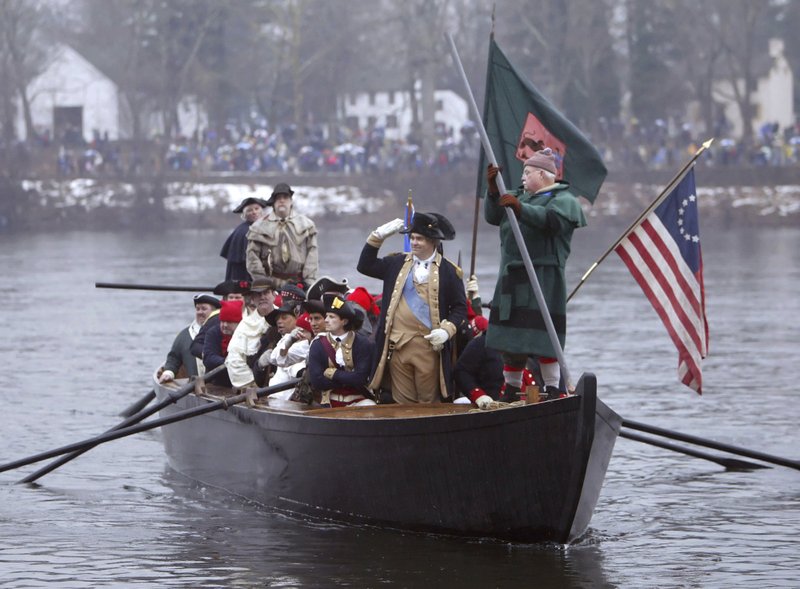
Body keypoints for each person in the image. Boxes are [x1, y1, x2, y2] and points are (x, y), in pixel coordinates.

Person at [484, 147, 586, 401]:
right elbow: (493, 216)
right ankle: (510, 388)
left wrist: (520, 209)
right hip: (512, 275)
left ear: (543, 175)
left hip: (542, 276)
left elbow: (550, 222)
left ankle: (553, 387)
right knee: (511, 338)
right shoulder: (517, 196)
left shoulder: (564, 200)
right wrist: (494, 191)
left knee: (543, 337)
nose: (522, 177)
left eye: (527, 173)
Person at [357, 211, 467, 404]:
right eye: (412, 238)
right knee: (402, 404)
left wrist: (446, 331)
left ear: (433, 241)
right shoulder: (396, 263)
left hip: (429, 348)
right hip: (398, 346)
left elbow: (459, 308)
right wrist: (377, 237)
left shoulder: (449, 271)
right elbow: (365, 266)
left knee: (428, 404)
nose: (414, 242)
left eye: (420, 239)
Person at [307, 293, 374, 407]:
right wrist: (349, 378)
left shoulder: (362, 343)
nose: (326, 320)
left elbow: (360, 379)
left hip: (358, 401)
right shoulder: (318, 345)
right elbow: (317, 381)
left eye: (332, 317)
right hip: (328, 402)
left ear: (344, 321)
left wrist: (333, 373)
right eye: (326, 316)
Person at [246, 182, 319, 287]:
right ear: (273, 202)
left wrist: (309, 282)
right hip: (271, 284)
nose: (282, 200)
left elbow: (312, 256)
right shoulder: (258, 227)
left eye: (285, 197)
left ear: (291, 201)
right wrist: (263, 282)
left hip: (299, 284)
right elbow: (252, 257)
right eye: (278, 198)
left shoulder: (306, 225)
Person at [224, 277, 278, 389]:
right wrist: (254, 384)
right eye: (258, 294)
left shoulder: (286, 318)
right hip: (256, 386)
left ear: (274, 295)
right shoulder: (244, 326)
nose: (262, 297)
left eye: (266, 293)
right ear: (253, 299)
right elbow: (235, 360)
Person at [158, 294, 220, 383]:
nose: (200, 312)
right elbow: (174, 358)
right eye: (197, 309)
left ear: (215, 312)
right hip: (193, 389)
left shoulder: (223, 332)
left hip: (221, 387)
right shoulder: (185, 335)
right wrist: (168, 373)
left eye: (204, 309)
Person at [220, 196, 268, 281]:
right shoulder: (245, 231)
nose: (254, 212)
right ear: (244, 215)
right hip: (244, 279)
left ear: (261, 211)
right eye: (249, 210)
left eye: (256, 209)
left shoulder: (256, 228)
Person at [203, 299, 244, 387]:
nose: (224, 325)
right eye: (222, 321)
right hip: (216, 382)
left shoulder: (245, 335)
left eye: (229, 322)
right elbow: (208, 357)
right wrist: (227, 361)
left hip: (241, 381)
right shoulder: (213, 333)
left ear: (238, 323)